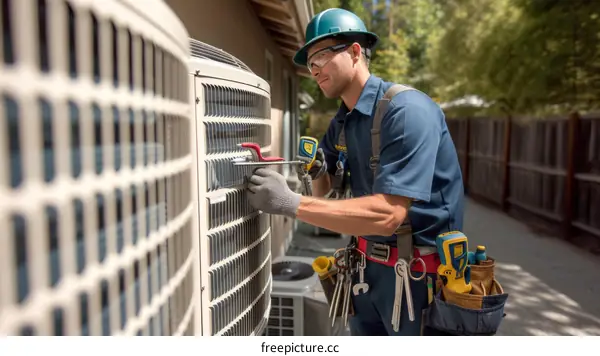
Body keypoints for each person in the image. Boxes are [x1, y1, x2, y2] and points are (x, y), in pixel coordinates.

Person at [246, 7, 465, 336]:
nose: (314, 68)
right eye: (309, 62)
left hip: (419, 277)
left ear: (354, 51)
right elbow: (325, 195)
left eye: (321, 54)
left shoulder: (407, 112)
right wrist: (318, 170)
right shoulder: (343, 122)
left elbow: (388, 214)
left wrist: (289, 202)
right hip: (364, 271)